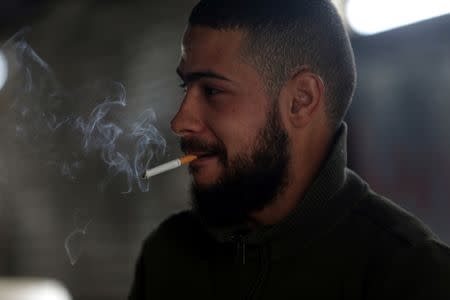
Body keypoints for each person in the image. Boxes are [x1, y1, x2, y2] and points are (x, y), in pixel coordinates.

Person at [129, 0, 450, 299]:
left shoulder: (410, 275)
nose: (180, 121)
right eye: (187, 87)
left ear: (301, 99)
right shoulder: (167, 255)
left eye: (212, 90)